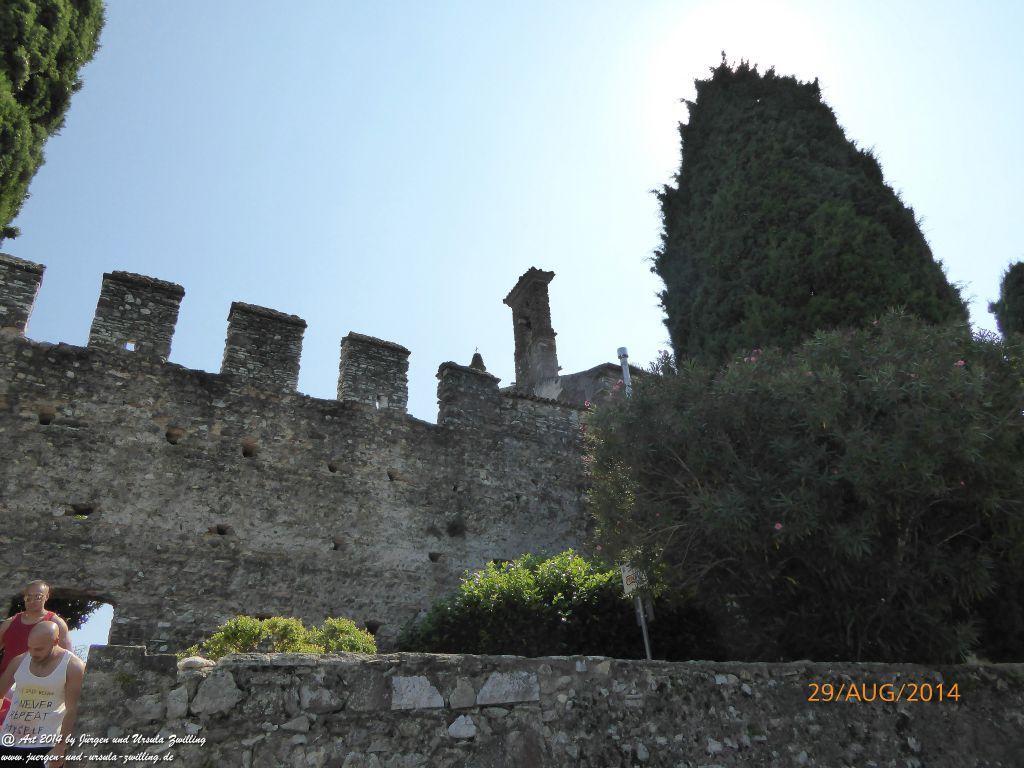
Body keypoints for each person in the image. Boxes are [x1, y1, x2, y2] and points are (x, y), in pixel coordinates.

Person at [0, 621, 84, 765]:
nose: (32, 653)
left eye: (39, 649)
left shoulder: (73, 666)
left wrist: (61, 747)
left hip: (44, 745)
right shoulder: (19, 661)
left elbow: (72, 710)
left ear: (55, 641)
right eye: (30, 647)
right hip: (7, 741)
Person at [0, 581, 73, 724]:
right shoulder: (10, 623)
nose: (32, 600)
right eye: (28, 597)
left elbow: (67, 658)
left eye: (38, 596)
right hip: (6, 683)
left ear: (46, 597)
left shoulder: (56, 624)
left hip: (36, 687)